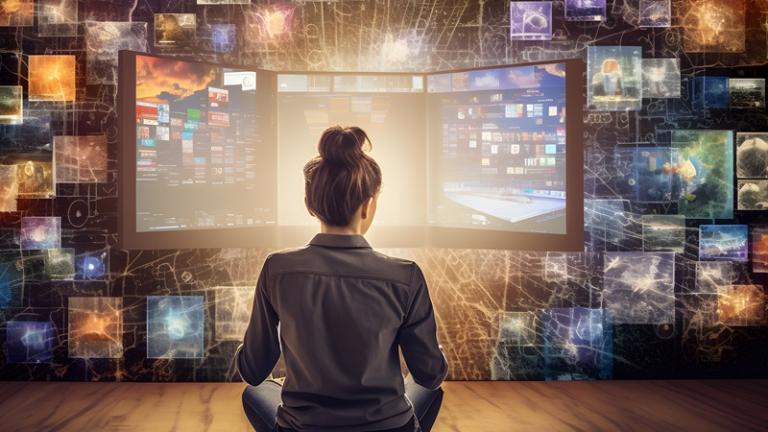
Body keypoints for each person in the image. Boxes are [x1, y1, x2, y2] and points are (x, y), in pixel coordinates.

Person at [236, 126, 448, 432]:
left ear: (310, 204)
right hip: (387, 428)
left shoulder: (276, 269)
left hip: (304, 428)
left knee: (256, 392)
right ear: (369, 204)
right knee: (428, 390)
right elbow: (430, 374)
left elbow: (253, 371)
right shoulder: (406, 275)